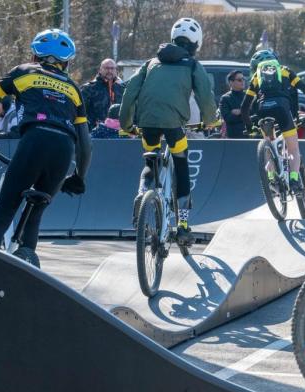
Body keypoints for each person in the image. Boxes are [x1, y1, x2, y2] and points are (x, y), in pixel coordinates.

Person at [0, 28, 92, 259]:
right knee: (35, 214)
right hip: (65, 150)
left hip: (34, 141)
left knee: (3, 213)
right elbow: (85, 143)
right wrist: (79, 177)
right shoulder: (74, 89)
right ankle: (27, 263)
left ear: (34, 56)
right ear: (66, 63)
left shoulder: (23, 72)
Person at [119, 17, 216, 246]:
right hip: (174, 125)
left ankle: (143, 193)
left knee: (149, 161)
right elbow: (205, 96)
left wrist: (127, 124)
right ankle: (182, 225)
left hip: (147, 124)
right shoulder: (192, 65)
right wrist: (210, 121)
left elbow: (130, 91)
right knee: (181, 166)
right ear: (195, 44)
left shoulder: (151, 63)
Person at [241, 49, 305, 193]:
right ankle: (294, 179)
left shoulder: (256, 77)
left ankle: (272, 179)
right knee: (293, 149)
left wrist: (250, 127)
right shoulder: (285, 71)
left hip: (263, 111)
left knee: (268, 148)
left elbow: (244, 107)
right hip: (282, 110)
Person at [81, 58, 125, 129]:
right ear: (100, 70)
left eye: (112, 68)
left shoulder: (122, 89)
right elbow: (80, 111)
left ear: (116, 70)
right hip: (95, 132)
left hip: (119, 132)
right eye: (106, 68)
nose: (109, 71)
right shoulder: (88, 88)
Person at [219, 70, 247, 138]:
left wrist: (240, 112)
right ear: (231, 82)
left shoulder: (249, 96)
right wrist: (245, 113)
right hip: (234, 137)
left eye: (243, 79)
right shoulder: (225, 98)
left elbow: (255, 115)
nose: (243, 82)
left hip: (250, 135)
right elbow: (228, 118)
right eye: (239, 80)